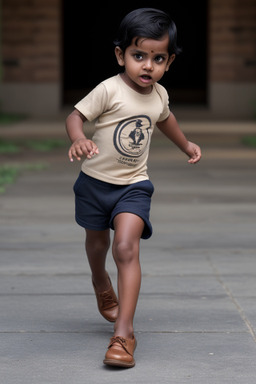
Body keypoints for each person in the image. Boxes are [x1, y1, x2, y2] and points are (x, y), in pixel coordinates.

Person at [66, 7, 201, 368]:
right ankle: (100, 281)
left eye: (158, 59)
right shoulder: (109, 89)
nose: (147, 66)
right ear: (120, 55)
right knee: (98, 245)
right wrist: (78, 138)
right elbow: (75, 116)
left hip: (133, 186)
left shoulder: (158, 95)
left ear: (169, 62)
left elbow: (166, 119)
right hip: (94, 184)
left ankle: (123, 335)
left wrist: (186, 144)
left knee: (126, 247)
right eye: (138, 56)